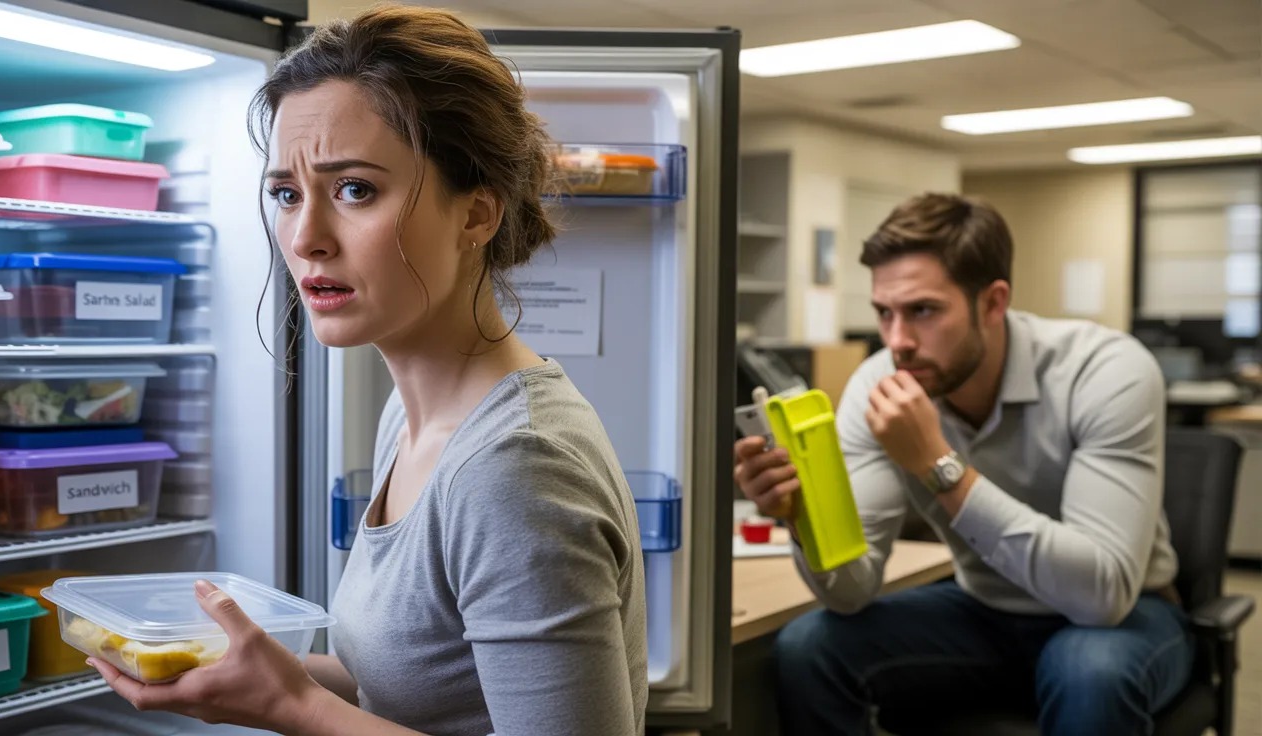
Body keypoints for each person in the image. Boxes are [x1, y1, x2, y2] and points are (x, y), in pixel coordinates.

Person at [88, 5, 648, 735]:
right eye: (287, 193)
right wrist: (246, 669)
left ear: (477, 215)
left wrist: (295, 709)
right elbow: (417, 685)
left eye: (354, 188)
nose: (306, 237)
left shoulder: (515, 467)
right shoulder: (416, 418)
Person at [734, 193, 1192, 736]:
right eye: (884, 313)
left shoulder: (1106, 369)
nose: (897, 341)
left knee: (1086, 670)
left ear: (994, 303)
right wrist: (802, 518)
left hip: (1125, 616)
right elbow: (851, 591)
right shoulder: (877, 386)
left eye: (923, 311)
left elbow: (1102, 596)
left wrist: (938, 464)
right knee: (810, 646)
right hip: (982, 612)